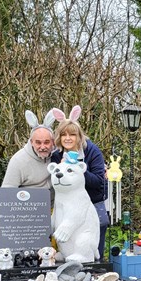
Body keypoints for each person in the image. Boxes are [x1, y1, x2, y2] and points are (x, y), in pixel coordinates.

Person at [51, 105, 108, 261]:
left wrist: (79, 170)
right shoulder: (57, 155)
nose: (68, 138)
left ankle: (96, 261)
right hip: (65, 201)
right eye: (64, 135)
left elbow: (98, 181)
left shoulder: (92, 151)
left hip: (91, 199)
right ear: (59, 137)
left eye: (72, 134)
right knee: (63, 230)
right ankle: (68, 253)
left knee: (100, 224)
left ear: (79, 136)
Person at [2, 109, 55, 190]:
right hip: (28, 199)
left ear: (53, 141)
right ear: (31, 142)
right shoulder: (18, 160)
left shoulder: (58, 154)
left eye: (47, 142)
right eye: (38, 142)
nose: (43, 147)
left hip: (53, 199)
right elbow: (7, 190)